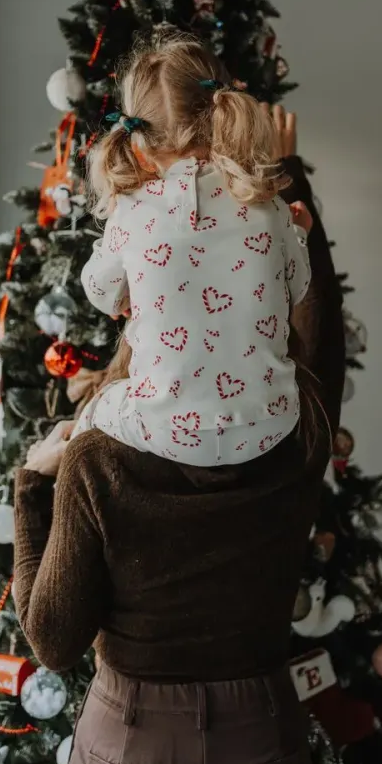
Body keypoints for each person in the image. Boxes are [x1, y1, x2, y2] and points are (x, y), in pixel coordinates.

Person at [13, 107, 345, 764]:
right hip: (262, 735)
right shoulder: (298, 429)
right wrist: (282, 183)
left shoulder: (95, 460)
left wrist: (30, 487)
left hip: (130, 740)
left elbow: (52, 642)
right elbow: (318, 341)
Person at [76, 31, 313, 466]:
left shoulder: (132, 211)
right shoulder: (267, 206)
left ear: (139, 139)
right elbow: (295, 290)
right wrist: (297, 233)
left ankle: (51, 468)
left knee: (91, 416)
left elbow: (100, 292)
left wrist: (127, 273)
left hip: (165, 429)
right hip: (271, 423)